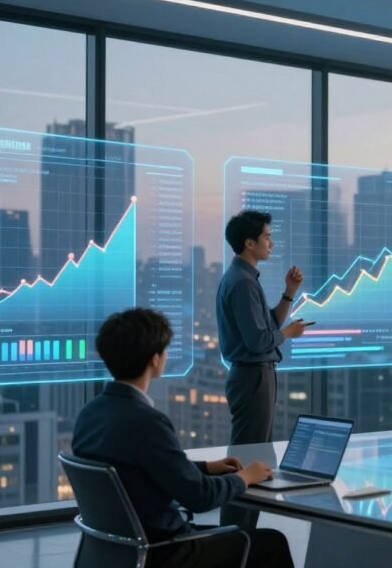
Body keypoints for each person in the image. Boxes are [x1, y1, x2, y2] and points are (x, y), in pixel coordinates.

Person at [72, 308, 293, 568]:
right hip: (164, 551)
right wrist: (245, 477)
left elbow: (140, 472)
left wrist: (207, 468)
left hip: (116, 550)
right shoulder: (147, 422)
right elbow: (200, 498)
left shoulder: (90, 414)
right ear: (155, 360)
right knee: (270, 542)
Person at [217, 210, 309, 445]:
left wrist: (289, 292)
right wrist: (288, 333)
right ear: (249, 243)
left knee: (257, 448)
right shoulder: (243, 282)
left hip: (254, 375)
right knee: (252, 451)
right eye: (267, 237)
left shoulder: (242, 278)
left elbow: (269, 325)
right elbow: (258, 341)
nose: (272, 243)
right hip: (253, 376)